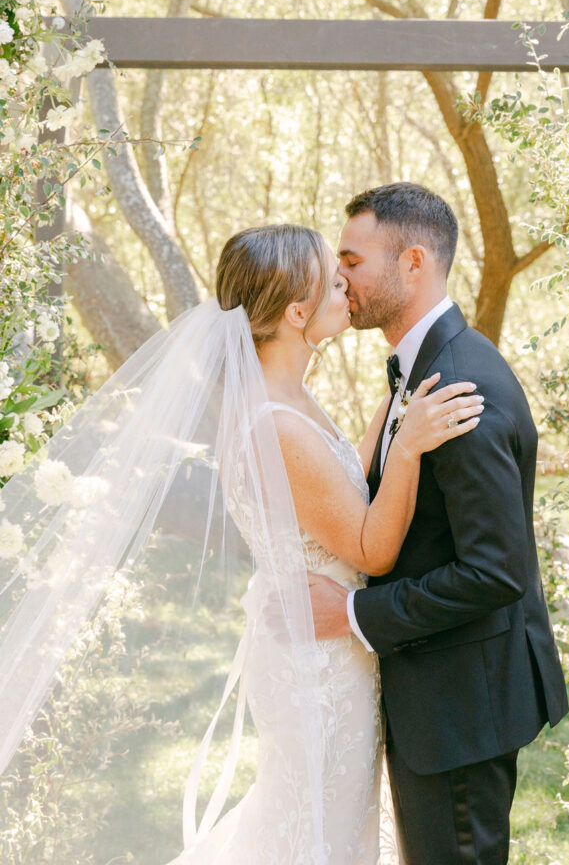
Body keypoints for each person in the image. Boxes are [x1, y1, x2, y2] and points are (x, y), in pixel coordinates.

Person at [0, 222, 482, 864]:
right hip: (316, 666)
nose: (346, 286)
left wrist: (397, 405)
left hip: (328, 646)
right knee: (313, 831)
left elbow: (343, 481)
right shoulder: (275, 423)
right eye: (331, 279)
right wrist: (415, 445)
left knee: (320, 825)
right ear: (295, 311)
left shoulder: (287, 397)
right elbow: (371, 549)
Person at [308, 183, 569, 865]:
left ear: (414, 262)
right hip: (441, 692)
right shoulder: (421, 371)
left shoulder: (460, 386)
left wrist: (355, 613)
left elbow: (494, 572)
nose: (340, 277)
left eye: (353, 260)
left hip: (460, 705)